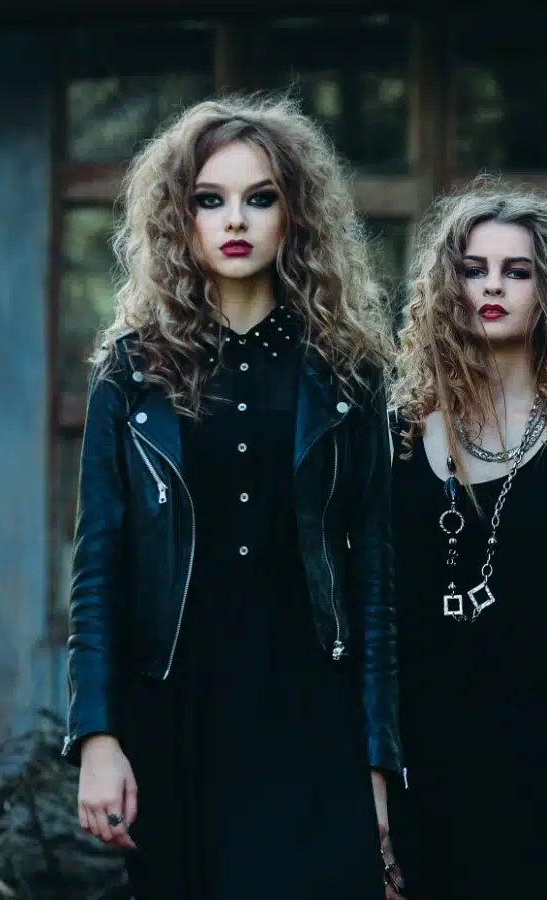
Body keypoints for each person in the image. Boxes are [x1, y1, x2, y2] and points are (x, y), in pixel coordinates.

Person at [64, 95, 403, 899]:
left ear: (296, 215)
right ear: (179, 219)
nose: (235, 220)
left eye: (260, 198)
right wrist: (98, 736)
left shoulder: (348, 375)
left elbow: (377, 582)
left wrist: (379, 758)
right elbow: (98, 572)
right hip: (173, 712)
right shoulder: (132, 373)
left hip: (309, 713)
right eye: (210, 200)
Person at [385, 180, 547, 899]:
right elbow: (374, 634)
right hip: (424, 773)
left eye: (517, 271)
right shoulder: (393, 444)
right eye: (473, 269)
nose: (492, 287)